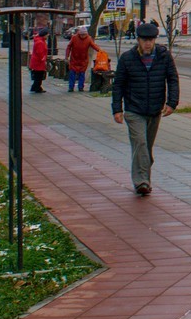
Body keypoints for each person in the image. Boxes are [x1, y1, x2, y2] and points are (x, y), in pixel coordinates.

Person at [112, 22, 179, 196]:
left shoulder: (164, 57)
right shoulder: (128, 59)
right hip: (134, 110)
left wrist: (172, 102)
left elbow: (172, 79)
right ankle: (141, 181)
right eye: (144, 40)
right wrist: (117, 109)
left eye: (151, 40)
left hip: (155, 109)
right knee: (140, 143)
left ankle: (144, 179)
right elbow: (118, 84)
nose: (148, 43)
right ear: (138, 40)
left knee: (146, 148)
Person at [65, 26, 102, 92]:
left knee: (82, 74)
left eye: (84, 34)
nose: (83, 36)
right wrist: (66, 56)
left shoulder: (89, 38)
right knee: (72, 73)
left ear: (86, 34)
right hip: (74, 59)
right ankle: (71, 87)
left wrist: (100, 51)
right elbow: (69, 47)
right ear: (79, 34)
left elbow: (94, 45)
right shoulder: (74, 37)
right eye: (81, 34)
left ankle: (81, 87)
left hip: (83, 59)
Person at [28, 26, 49, 93]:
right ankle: (37, 88)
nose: (47, 36)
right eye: (47, 35)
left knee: (38, 75)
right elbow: (40, 53)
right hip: (38, 62)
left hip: (36, 61)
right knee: (39, 75)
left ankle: (35, 87)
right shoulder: (40, 42)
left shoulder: (39, 40)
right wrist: (43, 60)